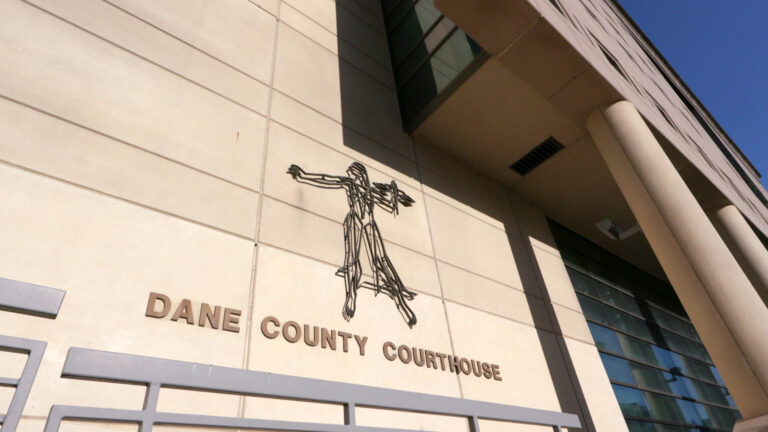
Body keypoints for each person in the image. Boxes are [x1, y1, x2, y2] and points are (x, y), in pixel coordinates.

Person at [287, 162, 418, 328]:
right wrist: (304, 176)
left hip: (370, 225)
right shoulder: (350, 185)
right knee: (352, 260)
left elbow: (391, 198)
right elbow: (327, 179)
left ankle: (403, 304)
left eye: (352, 173)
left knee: (382, 262)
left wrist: (399, 198)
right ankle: (351, 296)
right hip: (355, 221)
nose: (350, 176)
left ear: (360, 174)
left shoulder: (372, 191)